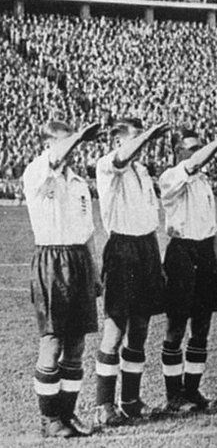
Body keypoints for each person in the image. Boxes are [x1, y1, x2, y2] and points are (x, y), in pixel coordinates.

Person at [23, 121, 101, 438]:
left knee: (77, 342)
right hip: (51, 259)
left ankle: (68, 415)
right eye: (64, 140)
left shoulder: (79, 181)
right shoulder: (38, 170)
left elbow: (89, 230)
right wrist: (79, 136)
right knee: (52, 339)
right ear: (48, 143)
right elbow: (55, 159)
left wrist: (94, 270)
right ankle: (49, 419)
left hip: (79, 259)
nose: (71, 146)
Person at [158, 126, 217, 412]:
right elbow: (193, 164)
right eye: (191, 149)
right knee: (176, 327)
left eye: (199, 147)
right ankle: (174, 397)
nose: (197, 154)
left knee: (202, 327)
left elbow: (212, 230)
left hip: (205, 252)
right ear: (177, 152)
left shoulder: (204, 182)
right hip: (182, 252)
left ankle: (192, 390)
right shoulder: (171, 177)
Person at [94, 119, 169, 425]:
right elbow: (122, 157)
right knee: (115, 329)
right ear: (118, 141)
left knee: (139, 328)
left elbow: (150, 219)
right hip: (122, 249)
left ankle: (131, 401)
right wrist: (150, 134)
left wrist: (157, 260)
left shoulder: (142, 171)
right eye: (136, 138)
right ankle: (104, 405)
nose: (142, 144)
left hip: (146, 249)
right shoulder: (107, 165)